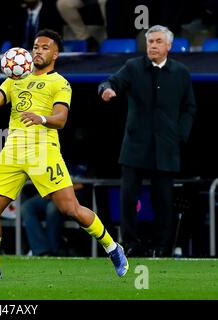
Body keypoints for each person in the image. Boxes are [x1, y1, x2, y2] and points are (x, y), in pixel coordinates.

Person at [0, 28, 128, 280]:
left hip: (43, 150)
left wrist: (41, 117)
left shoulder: (60, 83)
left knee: (70, 209)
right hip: (13, 150)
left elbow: (61, 119)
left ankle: (112, 247)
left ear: (55, 53)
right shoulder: (15, 79)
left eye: (45, 47)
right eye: (35, 46)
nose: (38, 50)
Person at [98, 25, 196, 257]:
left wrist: (179, 134)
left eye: (158, 41)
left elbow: (189, 108)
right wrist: (107, 89)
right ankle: (131, 244)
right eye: (150, 41)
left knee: (163, 200)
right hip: (135, 146)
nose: (152, 45)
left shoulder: (181, 72)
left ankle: (163, 247)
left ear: (168, 46)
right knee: (128, 197)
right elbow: (111, 81)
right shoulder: (133, 67)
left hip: (166, 147)